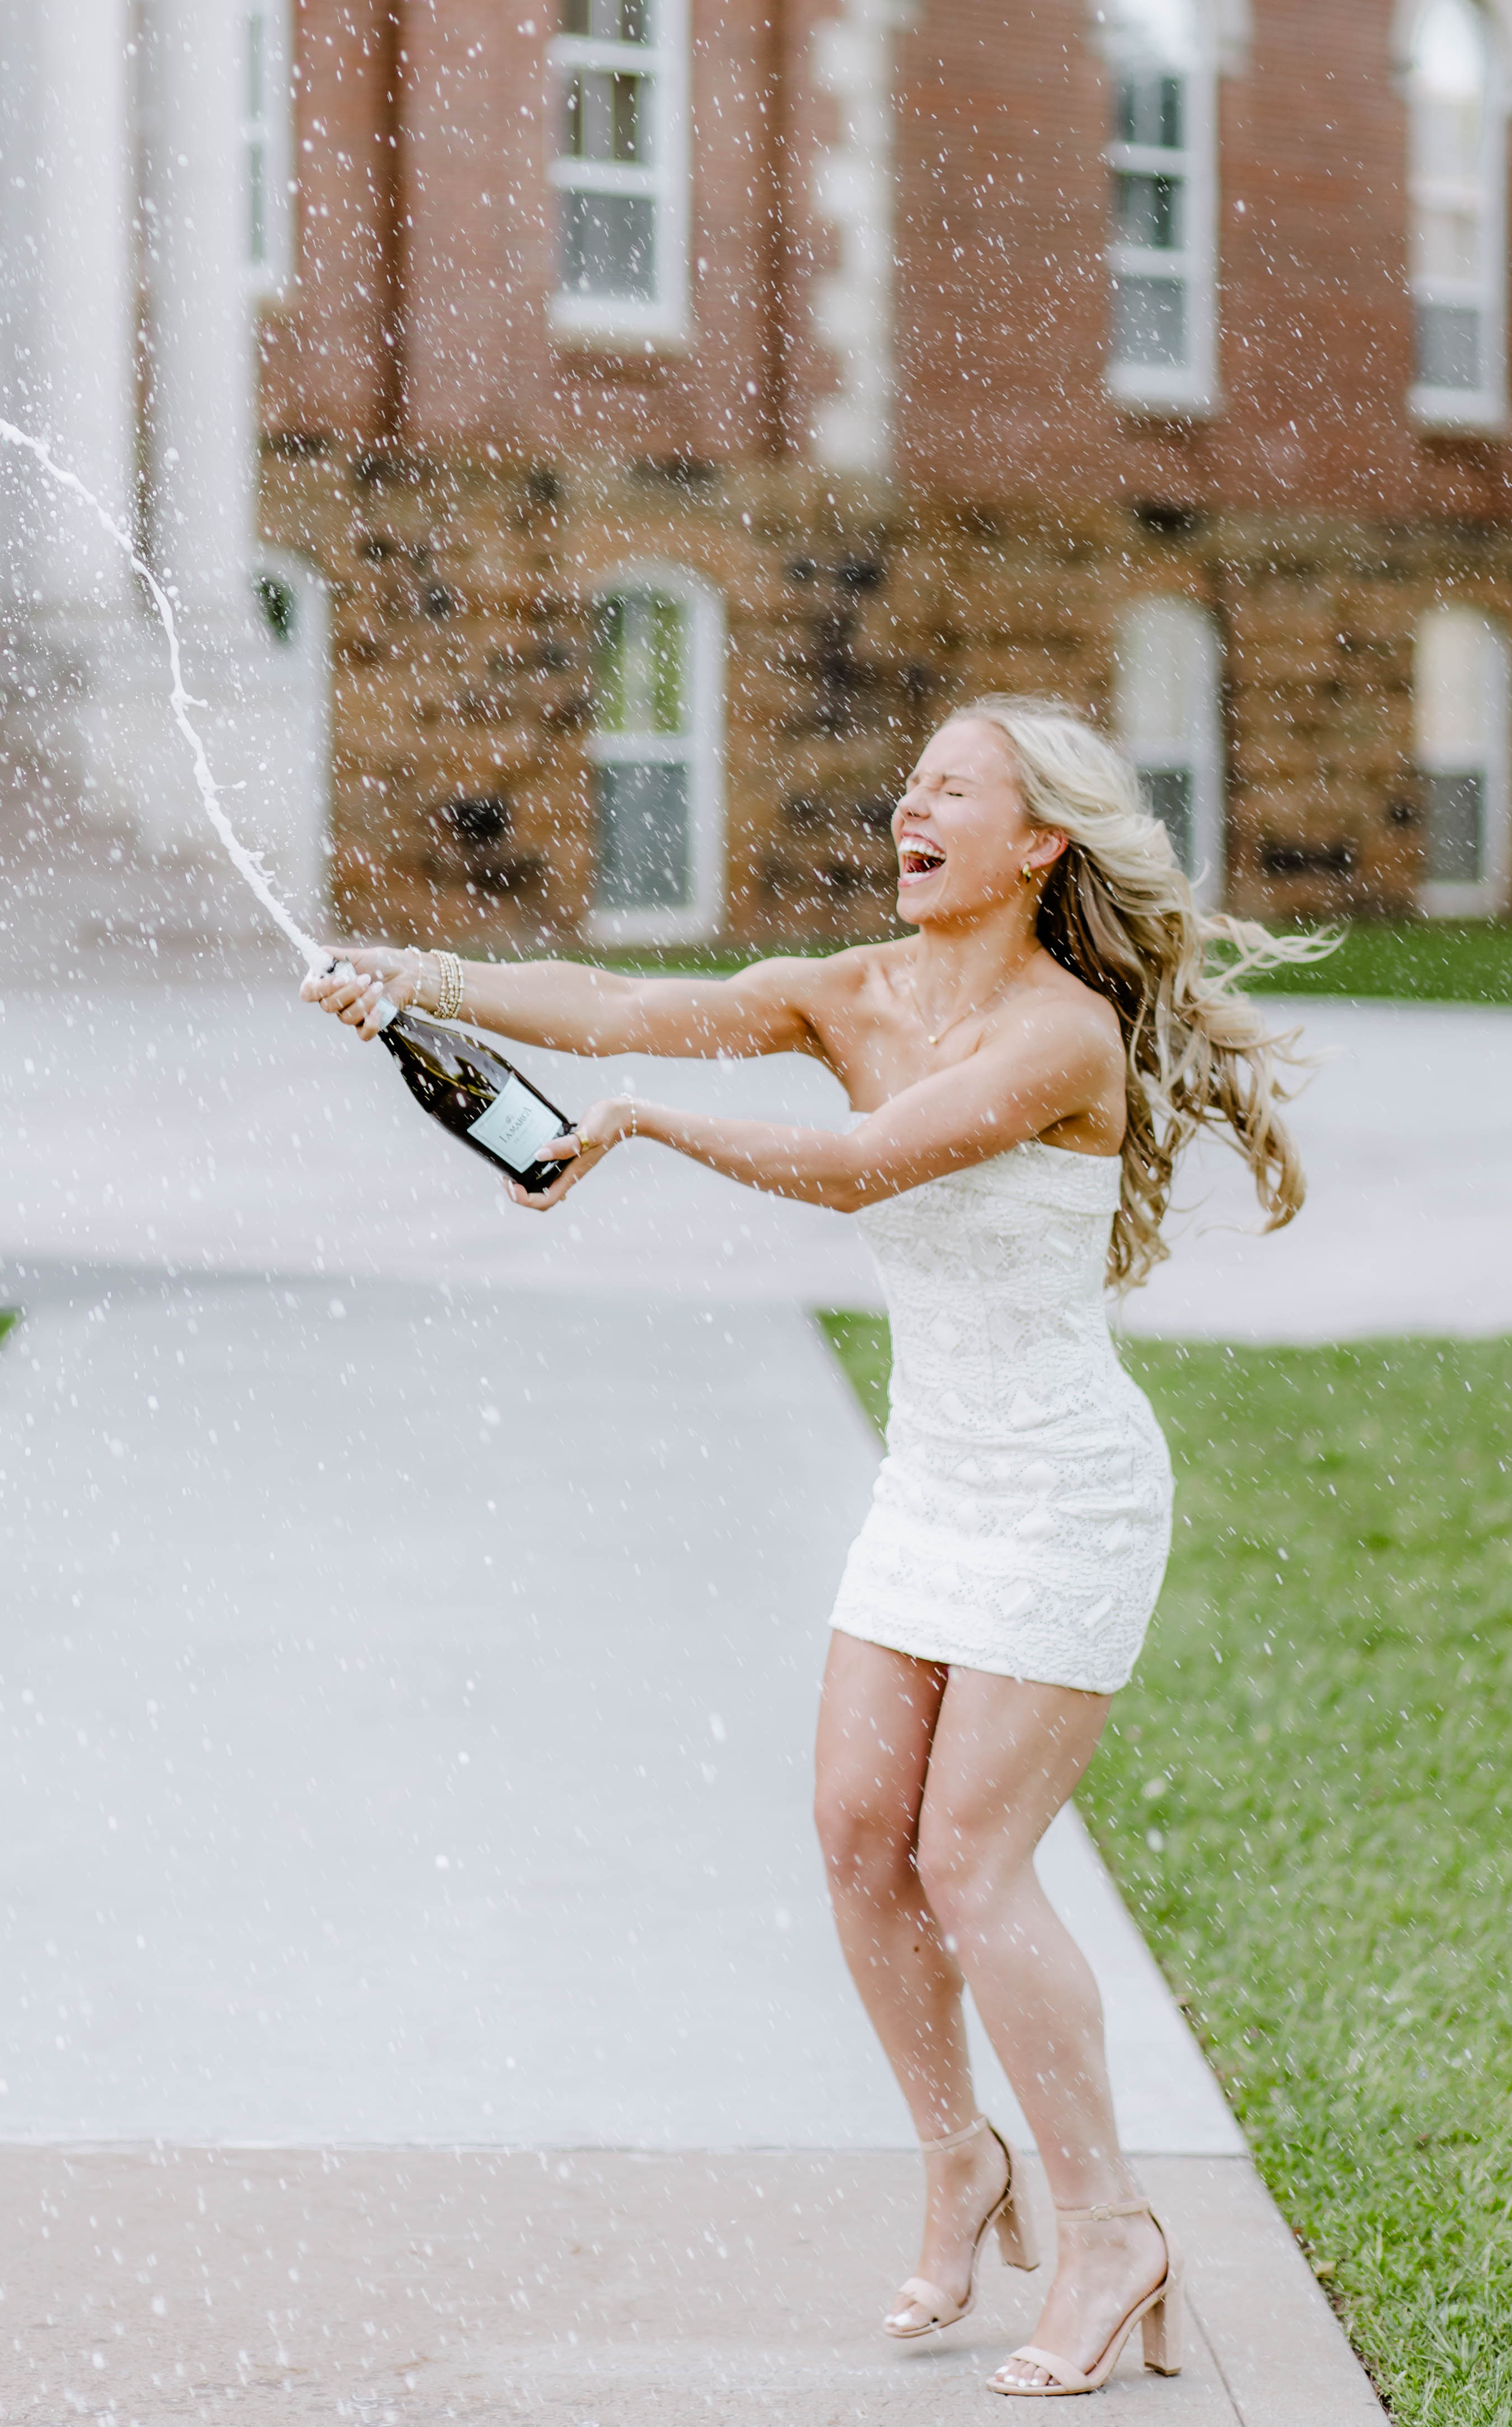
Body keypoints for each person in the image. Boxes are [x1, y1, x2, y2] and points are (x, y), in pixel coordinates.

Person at [302, 696, 1320, 2397]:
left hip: (1062, 1490)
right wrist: (416, 981)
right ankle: (959, 2162)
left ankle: (1110, 2230)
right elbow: (622, 1002)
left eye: (954, 791)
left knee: (969, 1864)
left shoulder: (1062, 1036)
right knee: (859, 1839)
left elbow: (860, 1169)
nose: (911, 808)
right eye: (910, 783)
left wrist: (640, 1126)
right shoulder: (855, 991)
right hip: (934, 1479)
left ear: (1039, 844)